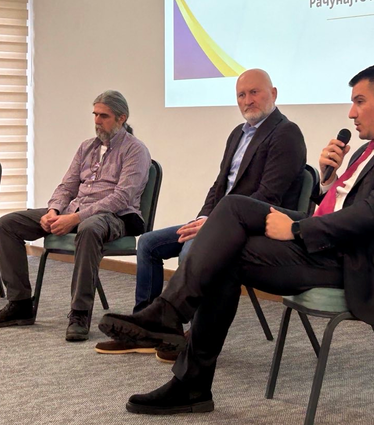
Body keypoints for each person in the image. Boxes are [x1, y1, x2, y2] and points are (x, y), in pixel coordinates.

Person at [98, 65, 374, 414]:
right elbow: (342, 209)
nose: (351, 112)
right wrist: (329, 181)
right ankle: (180, 351)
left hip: (362, 265)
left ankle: (181, 353)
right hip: (332, 246)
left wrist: (296, 230)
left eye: (358, 101)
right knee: (232, 213)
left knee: (226, 252)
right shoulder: (368, 151)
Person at [95, 69, 306, 359]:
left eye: (254, 92)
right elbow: (219, 186)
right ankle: (145, 328)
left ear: (274, 93)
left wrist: (212, 225)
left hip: (256, 228)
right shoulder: (238, 134)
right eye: (241, 95)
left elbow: (268, 198)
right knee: (148, 244)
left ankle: (192, 338)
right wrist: (202, 219)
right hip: (221, 221)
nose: (248, 100)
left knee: (190, 253)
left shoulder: (286, 133)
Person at [0, 90, 151, 341]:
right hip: (74, 211)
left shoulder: (136, 150)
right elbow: (67, 186)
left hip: (114, 216)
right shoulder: (87, 147)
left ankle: (80, 313)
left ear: (121, 118)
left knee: (89, 228)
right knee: (8, 224)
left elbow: (121, 198)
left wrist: (76, 218)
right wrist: (54, 211)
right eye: (95, 114)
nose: (96, 121)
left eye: (103, 116)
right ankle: (20, 305)